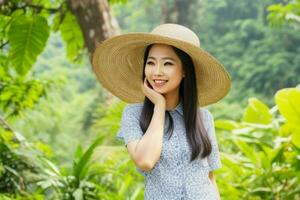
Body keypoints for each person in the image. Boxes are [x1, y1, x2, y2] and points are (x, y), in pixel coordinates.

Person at [92, 23, 231, 200]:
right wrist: (159, 106)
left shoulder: (204, 117)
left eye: (167, 63)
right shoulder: (133, 114)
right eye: (151, 63)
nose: (157, 72)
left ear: (185, 71)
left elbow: (210, 177)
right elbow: (145, 161)